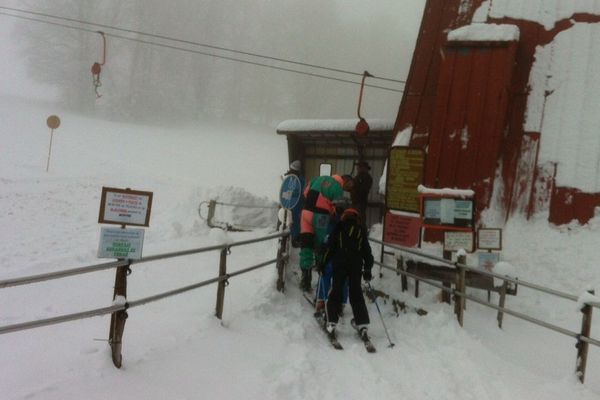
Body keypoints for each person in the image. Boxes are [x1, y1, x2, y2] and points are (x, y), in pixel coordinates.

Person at [319, 207, 374, 340]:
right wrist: (367, 269)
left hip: (340, 265)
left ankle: (331, 321)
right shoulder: (360, 231)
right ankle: (362, 324)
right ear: (356, 218)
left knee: (336, 290)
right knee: (356, 293)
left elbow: (330, 247)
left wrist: (323, 263)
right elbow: (367, 253)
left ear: (344, 216)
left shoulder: (339, 227)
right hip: (355, 266)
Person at [299, 174, 353, 292]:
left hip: (306, 212)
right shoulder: (338, 187)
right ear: (345, 180)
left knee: (306, 244)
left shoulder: (318, 178)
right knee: (321, 245)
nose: (347, 189)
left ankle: (305, 279)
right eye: (348, 185)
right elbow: (338, 207)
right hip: (320, 216)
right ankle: (322, 279)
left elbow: (305, 192)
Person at [283, 160, 305, 247]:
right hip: (295, 204)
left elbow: (295, 192)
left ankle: (295, 239)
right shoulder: (299, 179)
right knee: (294, 221)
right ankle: (294, 238)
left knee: (294, 221)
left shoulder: (297, 179)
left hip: (295, 204)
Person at [351, 161, 373, 226]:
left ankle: (361, 232)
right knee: (355, 219)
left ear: (364, 168)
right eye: (358, 167)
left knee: (360, 220)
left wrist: (354, 187)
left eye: (359, 167)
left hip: (360, 202)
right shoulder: (358, 177)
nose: (357, 168)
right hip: (355, 202)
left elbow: (363, 190)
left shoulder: (367, 177)